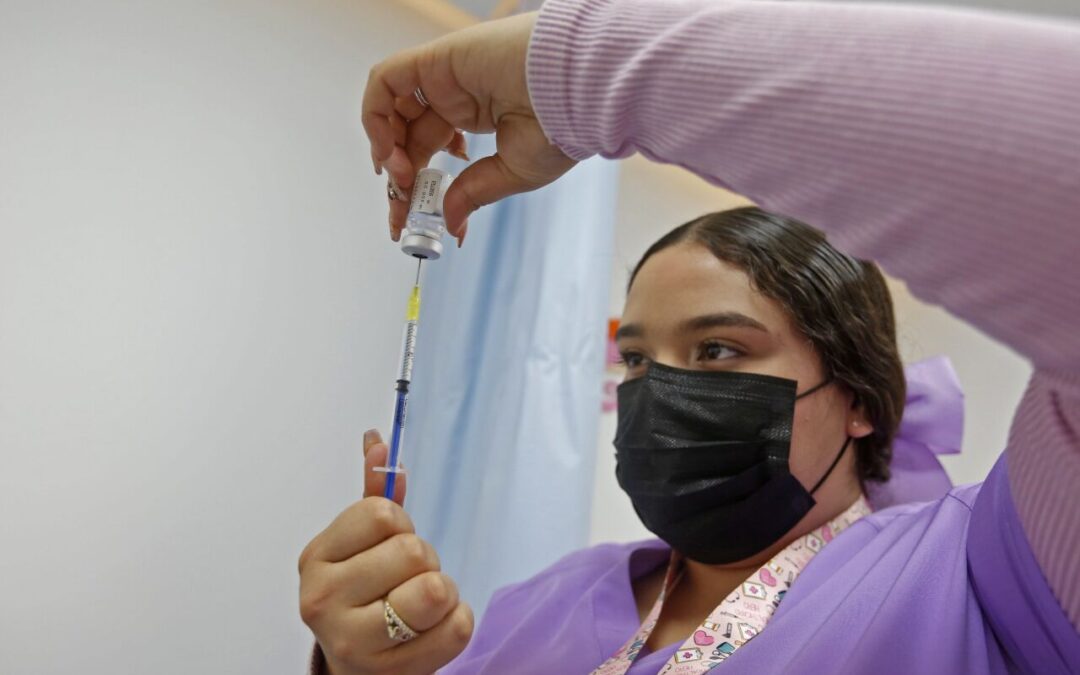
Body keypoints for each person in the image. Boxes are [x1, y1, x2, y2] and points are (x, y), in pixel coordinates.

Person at [297, 1, 1080, 673]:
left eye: (718, 349)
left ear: (861, 400)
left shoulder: (982, 575)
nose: (660, 389)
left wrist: (584, 72)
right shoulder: (548, 602)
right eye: (637, 357)